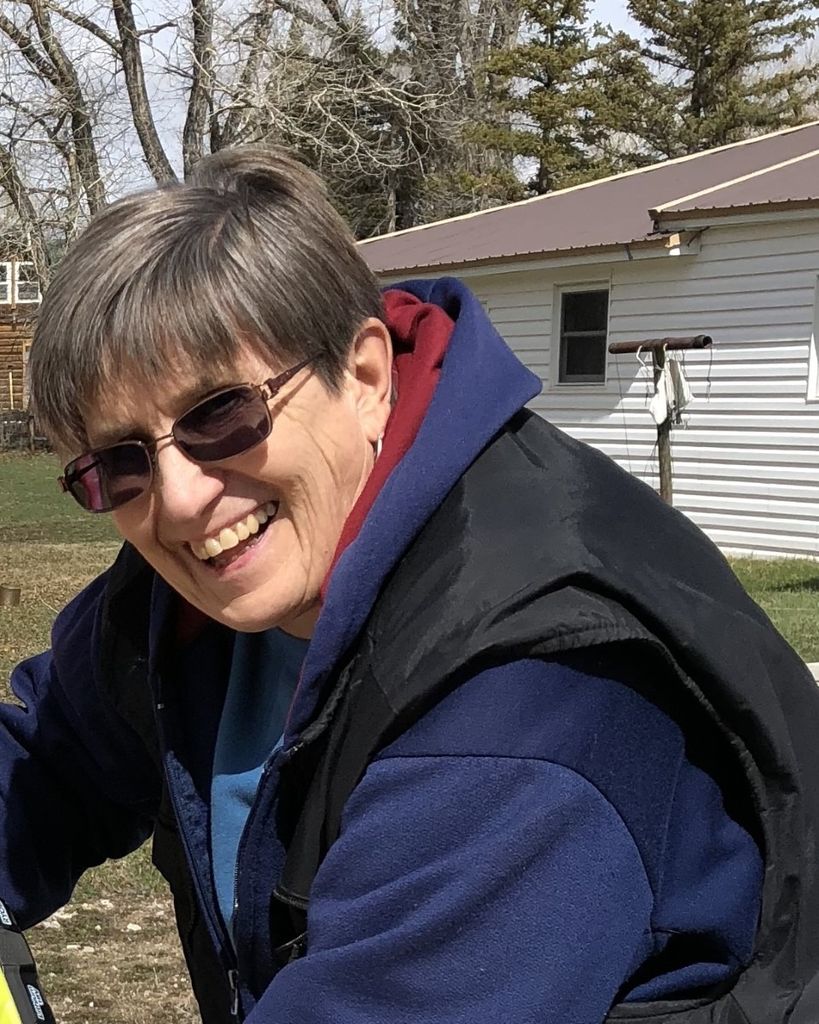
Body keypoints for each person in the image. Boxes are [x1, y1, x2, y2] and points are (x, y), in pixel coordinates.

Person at [2, 146, 818, 1024]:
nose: (178, 499)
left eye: (221, 414)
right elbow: (50, 763)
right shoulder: (197, 596)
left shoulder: (528, 701)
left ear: (362, 377)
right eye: (118, 464)